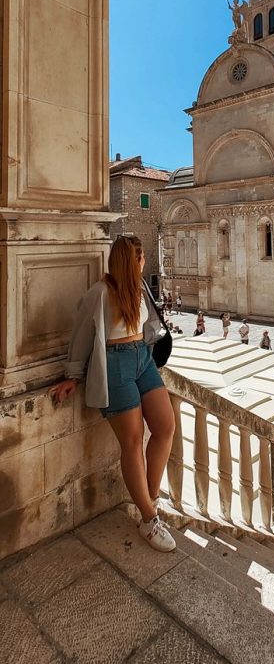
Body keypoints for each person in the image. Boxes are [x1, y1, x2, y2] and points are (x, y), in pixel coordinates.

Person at [49, 236, 176, 553]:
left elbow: (149, 328)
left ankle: (150, 495)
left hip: (142, 360)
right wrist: (73, 376)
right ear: (131, 260)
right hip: (116, 363)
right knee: (132, 441)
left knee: (165, 426)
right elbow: (81, 335)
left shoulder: (140, 288)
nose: (144, 261)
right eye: (141, 257)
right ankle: (148, 519)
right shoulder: (100, 293)